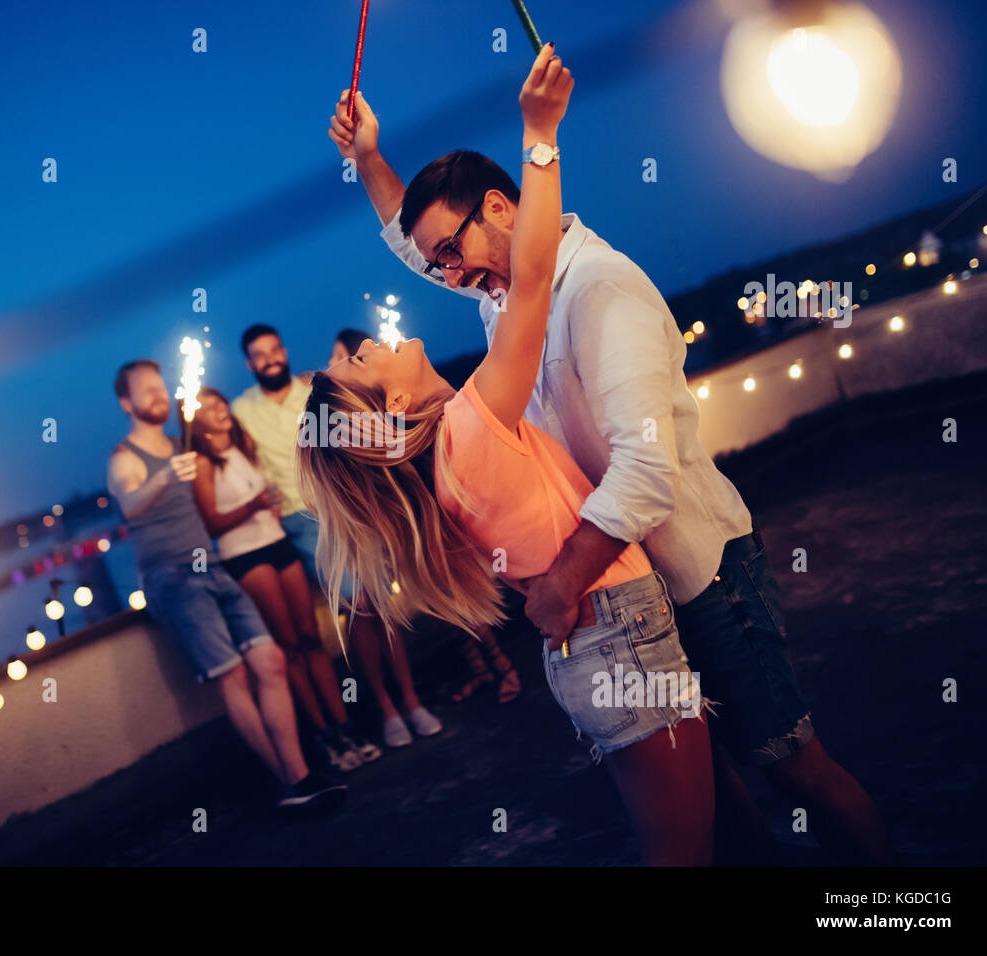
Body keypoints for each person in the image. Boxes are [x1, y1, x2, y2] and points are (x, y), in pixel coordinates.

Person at [328, 58, 890, 863]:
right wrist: (370, 159)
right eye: (441, 265)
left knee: (796, 770)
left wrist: (561, 583)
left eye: (453, 252)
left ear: (501, 207)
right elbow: (427, 248)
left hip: (700, 577)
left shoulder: (599, 289)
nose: (449, 277)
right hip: (633, 597)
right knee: (718, 798)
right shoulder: (504, 295)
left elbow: (646, 468)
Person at [300, 46, 715, 865]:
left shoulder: (444, 450)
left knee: (694, 824)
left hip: (594, 642)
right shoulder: (469, 434)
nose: (361, 343)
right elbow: (528, 277)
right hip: (618, 629)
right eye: (356, 362)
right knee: (684, 851)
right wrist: (540, 135)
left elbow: (459, 262)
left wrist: (369, 161)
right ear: (387, 410)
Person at [106, 359, 346, 810]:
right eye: (146, 390)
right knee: (233, 673)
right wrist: (161, 478)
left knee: (271, 660)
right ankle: (290, 783)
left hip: (211, 567)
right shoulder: (125, 458)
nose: (158, 396)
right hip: (172, 580)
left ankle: (302, 774)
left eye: (161, 387)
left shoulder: (184, 444)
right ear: (126, 402)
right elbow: (131, 504)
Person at [232, 324, 444, 747]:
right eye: (260, 354)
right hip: (298, 520)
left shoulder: (314, 389)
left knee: (380, 604)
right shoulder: (242, 412)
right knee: (359, 604)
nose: (271, 358)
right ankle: (387, 709)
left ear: (285, 350)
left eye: (276, 349)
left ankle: (411, 701)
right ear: (249, 363)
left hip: (343, 505)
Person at [183, 386, 381, 772]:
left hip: (277, 544)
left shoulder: (244, 448)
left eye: (220, 401)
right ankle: (325, 739)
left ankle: (346, 727)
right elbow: (210, 522)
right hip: (245, 556)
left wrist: (268, 507)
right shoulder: (202, 464)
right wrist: (254, 506)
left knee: (311, 639)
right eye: (207, 407)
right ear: (196, 421)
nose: (219, 409)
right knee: (288, 646)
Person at [328, 331, 522, 706]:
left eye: (349, 356)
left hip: (434, 511)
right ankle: (485, 672)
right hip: (421, 517)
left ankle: (503, 668)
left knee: (461, 600)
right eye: (352, 358)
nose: (367, 347)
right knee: (447, 604)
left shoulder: (454, 428)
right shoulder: (440, 427)